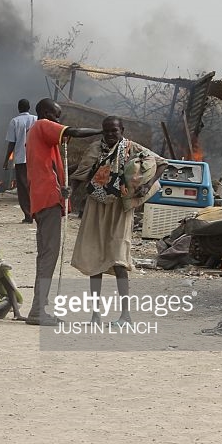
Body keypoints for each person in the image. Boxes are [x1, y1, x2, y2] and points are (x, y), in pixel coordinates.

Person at [70, 116, 167, 325]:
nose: (111, 135)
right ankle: (95, 315)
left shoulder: (133, 149)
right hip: (96, 206)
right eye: (107, 131)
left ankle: (126, 315)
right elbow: (81, 174)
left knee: (119, 258)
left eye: (115, 131)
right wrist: (68, 194)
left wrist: (147, 184)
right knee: (94, 258)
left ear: (122, 130)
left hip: (120, 208)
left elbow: (161, 163)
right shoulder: (95, 149)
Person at [24, 98, 101, 325]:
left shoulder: (40, 136)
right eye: (56, 115)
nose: (59, 121)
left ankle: (38, 307)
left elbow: (54, 168)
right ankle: (38, 310)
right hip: (47, 198)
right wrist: (100, 129)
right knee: (49, 255)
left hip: (46, 197)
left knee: (46, 254)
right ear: (46, 113)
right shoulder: (42, 125)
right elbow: (74, 132)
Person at [3, 99, 37, 223]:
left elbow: (11, 143)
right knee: (34, 185)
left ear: (18, 108)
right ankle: (36, 212)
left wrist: (6, 160)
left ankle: (28, 215)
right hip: (35, 158)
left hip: (21, 158)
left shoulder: (15, 121)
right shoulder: (37, 119)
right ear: (29, 107)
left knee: (23, 188)